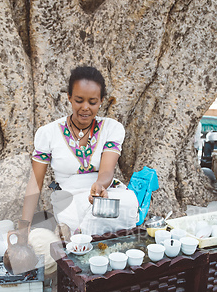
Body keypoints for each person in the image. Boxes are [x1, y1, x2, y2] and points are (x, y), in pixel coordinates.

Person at [22, 66, 138, 236]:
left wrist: (99, 186)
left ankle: (84, 236)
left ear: (101, 101)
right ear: (69, 97)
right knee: (82, 213)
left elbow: (107, 170)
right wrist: (23, 228)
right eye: (79, 100)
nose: (85, 107)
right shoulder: (48, 133)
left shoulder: (111, 129)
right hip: (69, 198)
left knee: (126, 202)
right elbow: (35, 183)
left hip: (104, 192)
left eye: (92, 102)